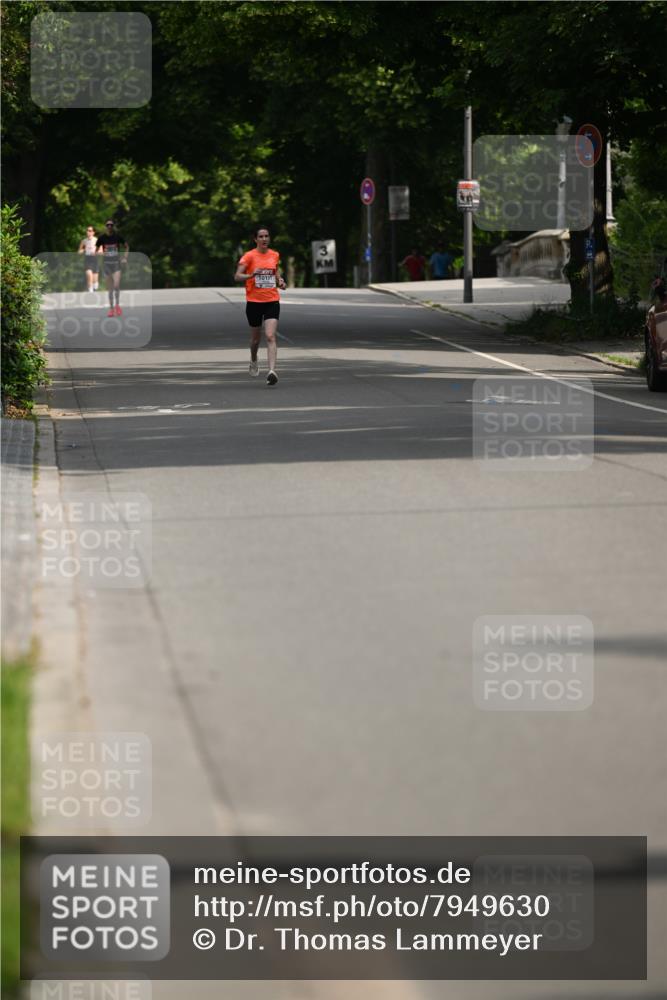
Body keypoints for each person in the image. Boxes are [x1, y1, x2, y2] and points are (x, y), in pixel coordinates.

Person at [234, 225, 286, 386]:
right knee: (256, 340)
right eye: (261, 236)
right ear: (255, 239)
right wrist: (251, 275)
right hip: (254, 302)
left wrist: (280, 281)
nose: (264, 239)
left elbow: (275, 272)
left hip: (271, 300)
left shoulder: (274, 255)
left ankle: (272, 371)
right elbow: (237, 276)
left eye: (267, 236)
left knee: (270, 336)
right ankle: (254, 359)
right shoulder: (249, 256)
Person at [96, 219, 129, 317]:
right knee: (110, 289)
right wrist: (99, 253)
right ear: (105, 226)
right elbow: (96, 250)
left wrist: (125, 258)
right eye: (108, 225)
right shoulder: (101, 238)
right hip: (106, 265)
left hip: (116, 264)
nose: (109, 226)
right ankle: (111, 309)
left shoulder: (118, 237)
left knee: (116, 286)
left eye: (111, 225)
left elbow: (127, 246)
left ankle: (117, 305)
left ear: (113, 226)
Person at [77, 225, 99, 292]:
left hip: (95, 259)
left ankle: (94, 287)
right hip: (87, 259)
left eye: (90, 231)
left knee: (95, 282)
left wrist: (96, 252)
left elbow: (101, 251)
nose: (88, 232)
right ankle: (90, 291)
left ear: (93, 232)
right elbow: (79, 251)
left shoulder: (96, 240)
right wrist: (83, 250)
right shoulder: (84, 241)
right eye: (87, 230)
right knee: (89, 275)